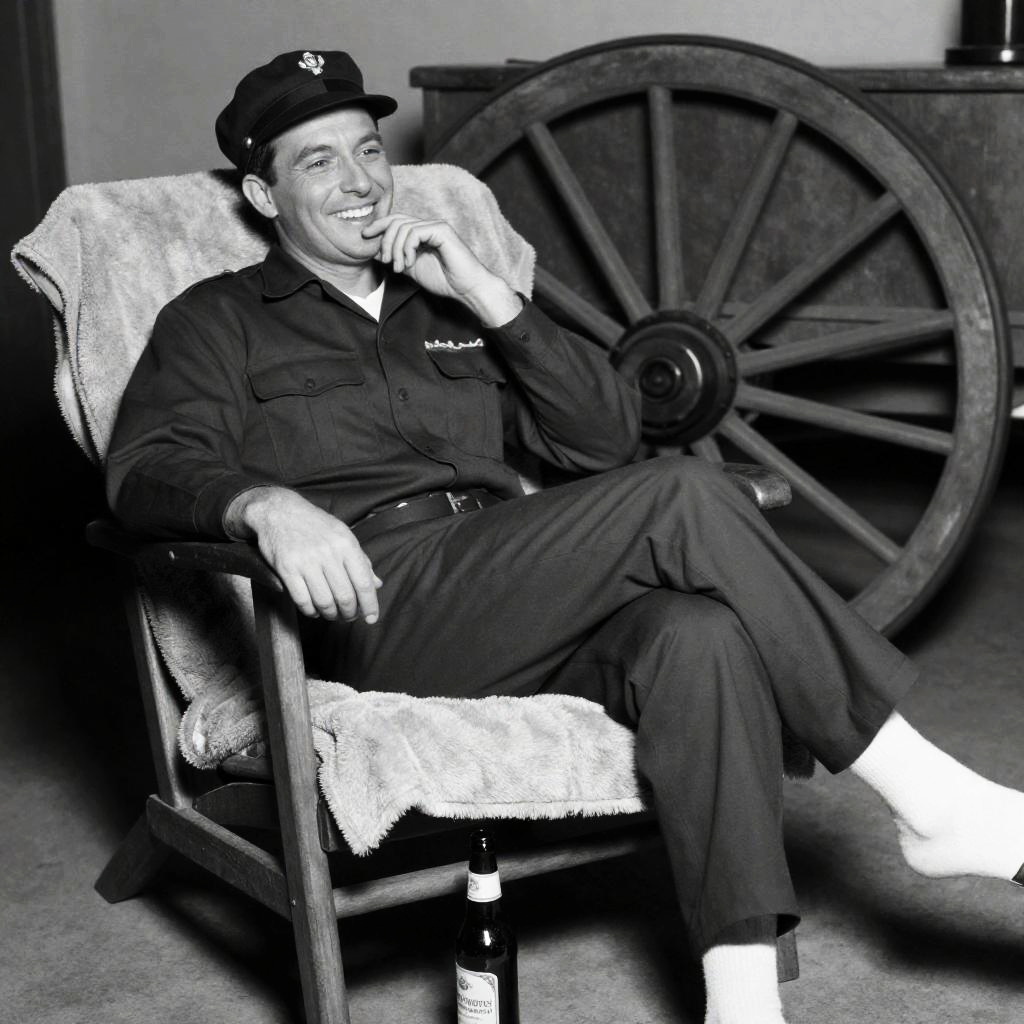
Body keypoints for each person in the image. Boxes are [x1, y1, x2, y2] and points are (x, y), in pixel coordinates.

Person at [105, 49, 1024, 1024]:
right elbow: (143, 468)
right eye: (318, 161)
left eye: (368, 150)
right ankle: (932, 799)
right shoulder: (216, 321)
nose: (360, 179)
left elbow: (606, 439)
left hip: (507, 589)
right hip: (377, 607)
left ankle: (742, 1004)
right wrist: (260, 505)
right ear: (263, 194)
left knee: (698, 636)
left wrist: (489, 297)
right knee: (683, 494)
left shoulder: (446, 305)